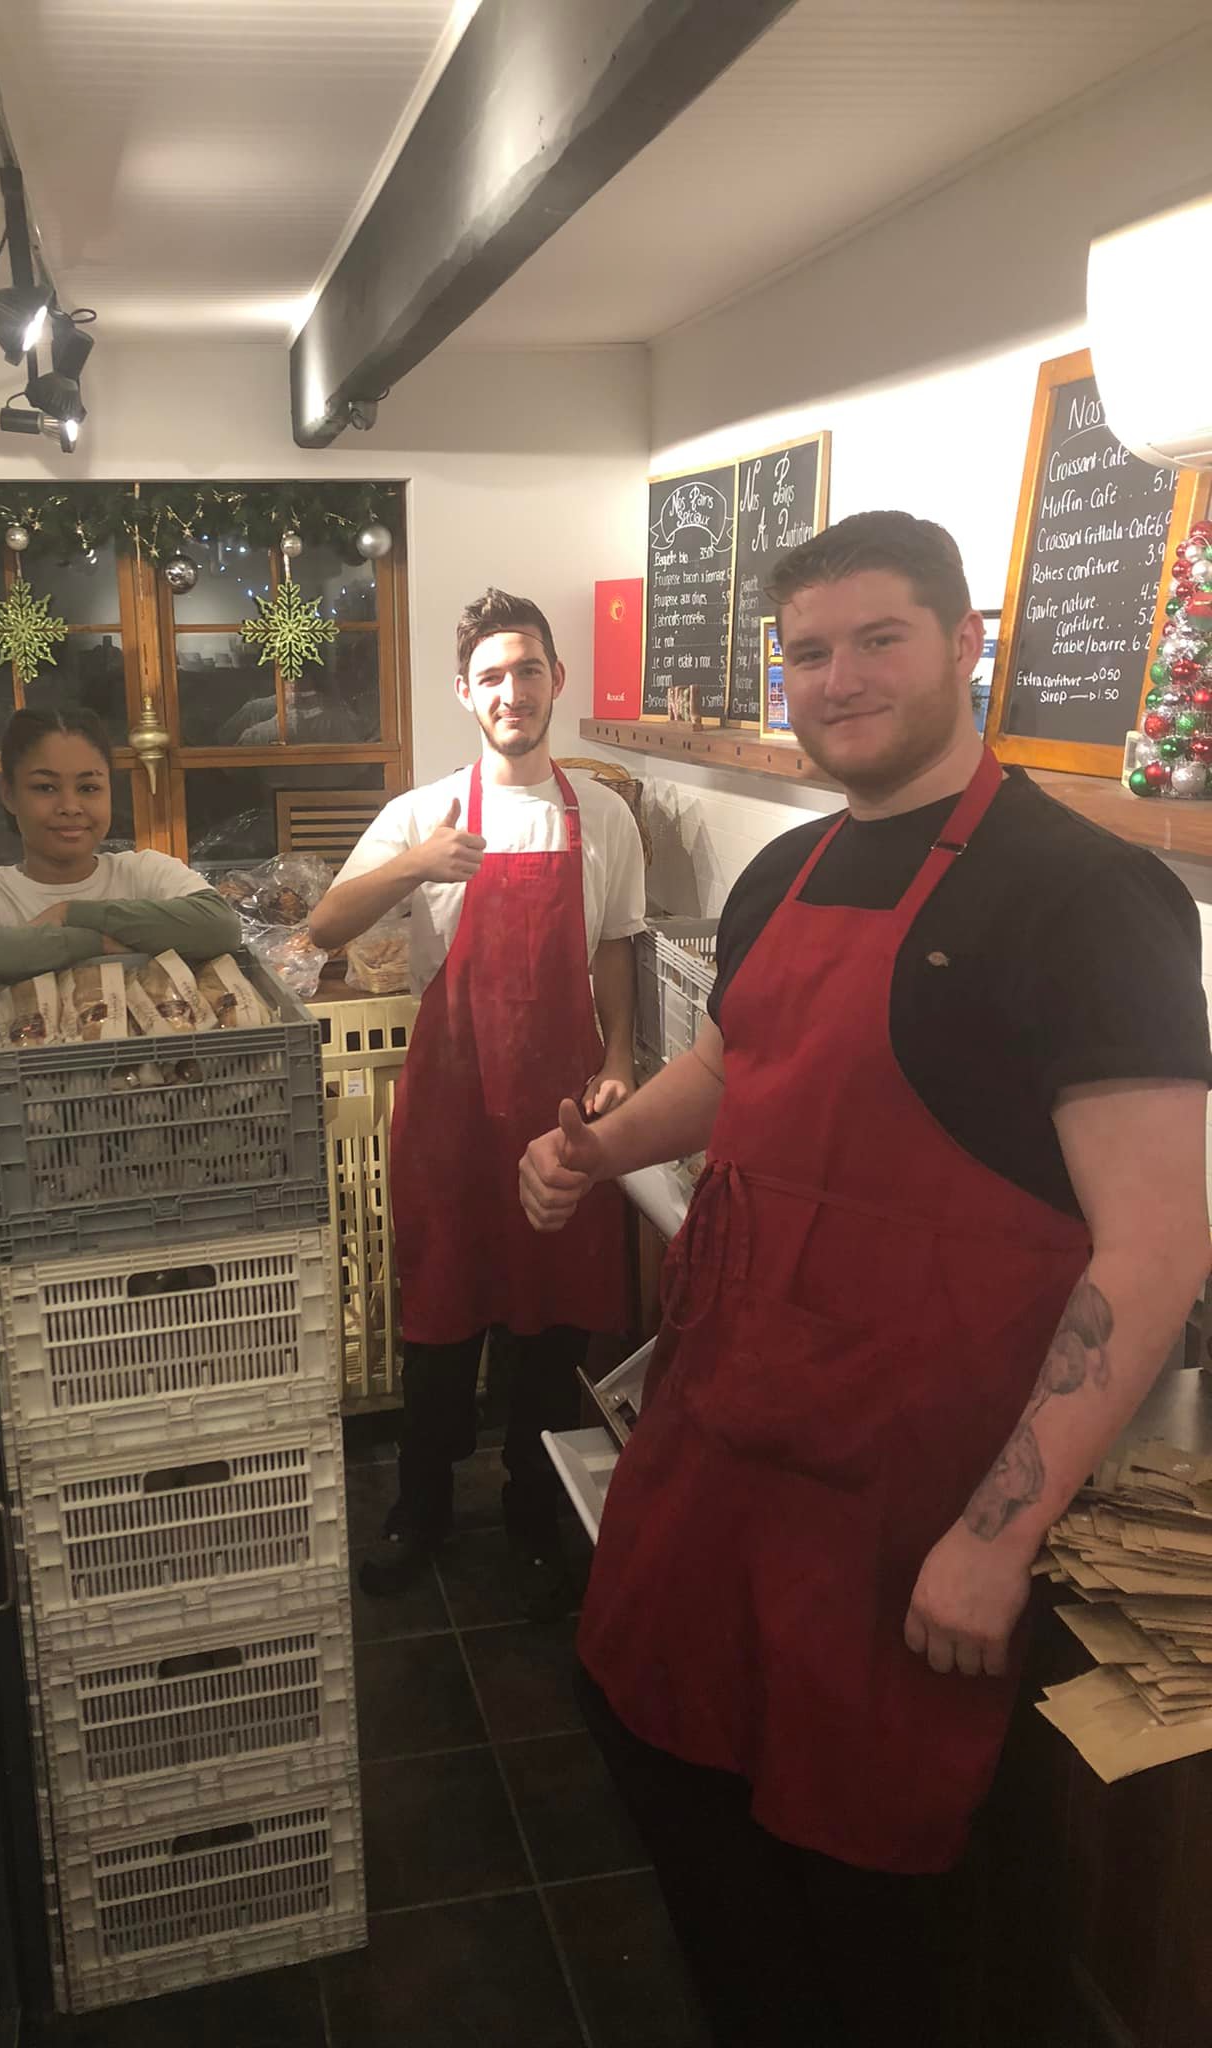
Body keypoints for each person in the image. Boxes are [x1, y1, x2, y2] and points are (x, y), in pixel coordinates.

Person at [518, 512, 1212, 2046]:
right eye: (811, 652)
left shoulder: (1086, 898)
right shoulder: (789, 867)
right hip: (728, 1432)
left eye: (879, 638)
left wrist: (996, 1535)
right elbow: (732, 1060)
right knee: (661, 1751)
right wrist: (597, 1145)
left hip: (908, 1492)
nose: (839, 679)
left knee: (877, 1887)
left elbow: (1160, 1243)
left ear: (967, 643)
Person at [310, 588, 647, 1619]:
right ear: (465, 692)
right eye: (492, 675)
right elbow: (325, 927)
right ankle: (420, 1508)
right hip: (451, 1118)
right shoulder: (425, 813)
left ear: (556, 679)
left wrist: (621, 1054)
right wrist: (417, 865)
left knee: (551, 1333)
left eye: (528, 669)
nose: (513, 690)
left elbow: (613, 947)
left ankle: (532, 1512)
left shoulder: (604, 817)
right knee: (440, 1320)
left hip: (560, 1115)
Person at [0, 705, 239, 995]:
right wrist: (90, 943)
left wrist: (70, 913)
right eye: (45, 787)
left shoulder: (144, 872)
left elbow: (220, 926)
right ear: (9, 794)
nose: (70, 806)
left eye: (88, 787)